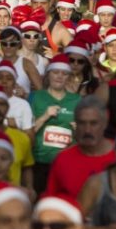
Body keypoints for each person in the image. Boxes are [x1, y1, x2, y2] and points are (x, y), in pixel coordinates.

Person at [29, 54, 82, 193]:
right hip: (39, 162)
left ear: (69, 77)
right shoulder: (35, 97)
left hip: (67, 164)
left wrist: (78, 131)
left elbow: (84, 138)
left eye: (64, 74)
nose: (59, 76)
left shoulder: (77, 100)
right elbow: (26, 133)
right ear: (48, 75)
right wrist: (44, 117)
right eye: (55, 72)